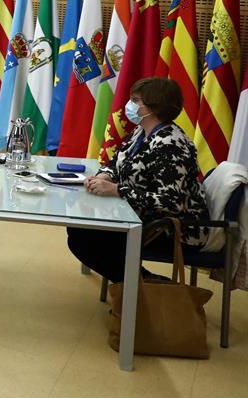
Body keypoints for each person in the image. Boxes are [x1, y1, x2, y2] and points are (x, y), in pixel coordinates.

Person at [67, 77, 209, 282]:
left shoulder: (171, 145)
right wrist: (105, 175)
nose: (130, 105)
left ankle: (144, 284)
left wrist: (117, 190)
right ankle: (140, 282)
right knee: (80, 228)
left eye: (136, 101)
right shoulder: (142, 131)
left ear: (154, 107)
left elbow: (171, 203)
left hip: (173, 230)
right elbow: (117, 161)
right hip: (140, 215)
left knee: (85, 238)